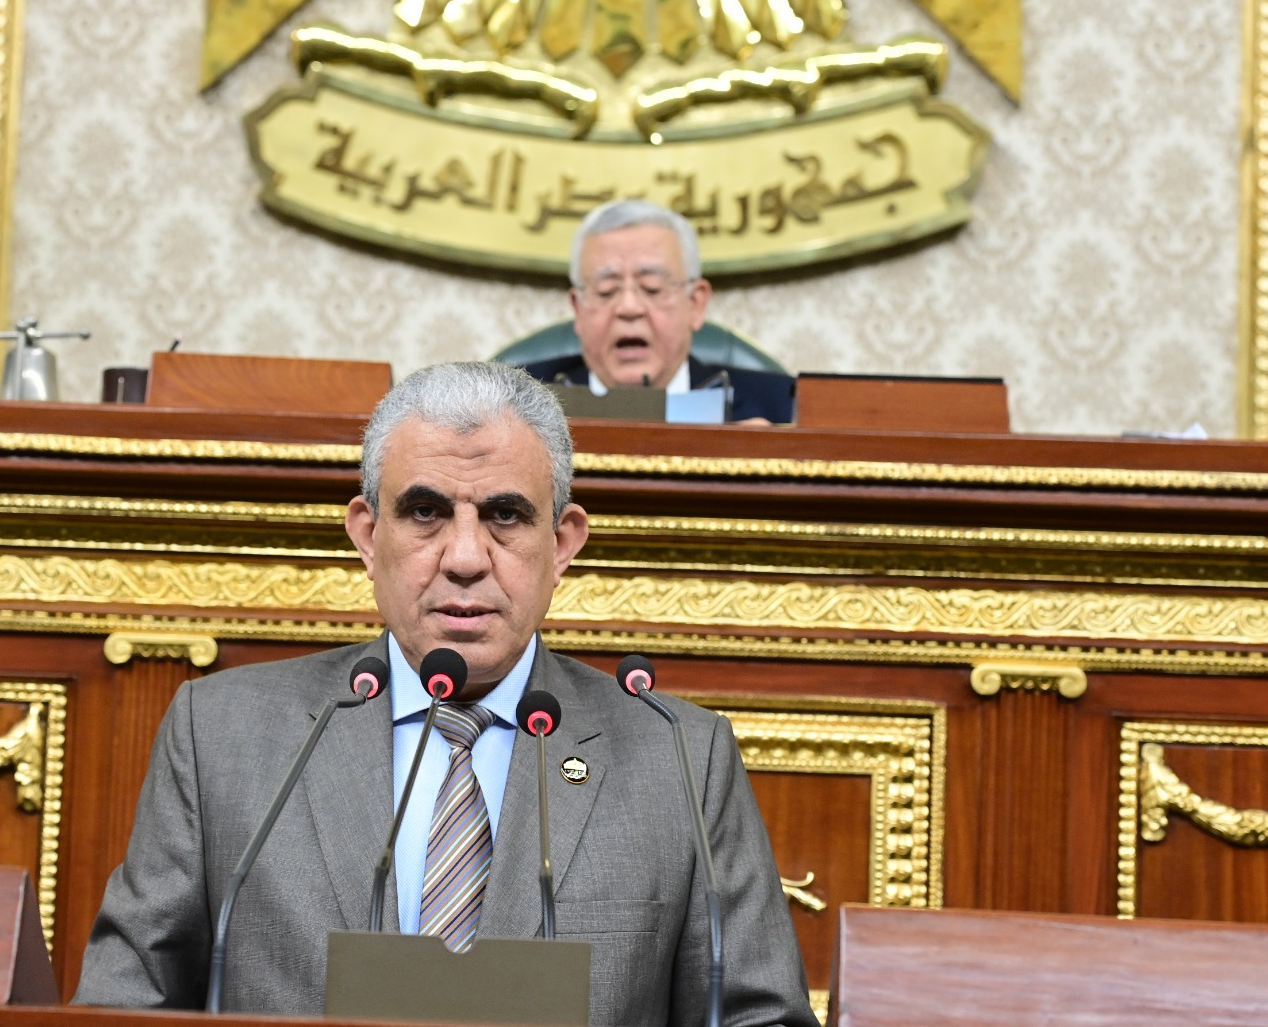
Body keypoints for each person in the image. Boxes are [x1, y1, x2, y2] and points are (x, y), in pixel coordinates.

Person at [73, 361, 815, 1027]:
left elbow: (760, 1018)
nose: (464, 557)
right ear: (369, 536)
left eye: (505, 515)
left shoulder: (678, 757)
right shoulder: (223, 735)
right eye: (425, 513)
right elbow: (122, 1007)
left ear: (562, 543)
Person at [523, 199, 795, 423]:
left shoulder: (780, 408)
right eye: (606, 291)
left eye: (652, 288)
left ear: (695, 304)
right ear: (578, 308)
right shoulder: (519, 404)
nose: (629, 308)